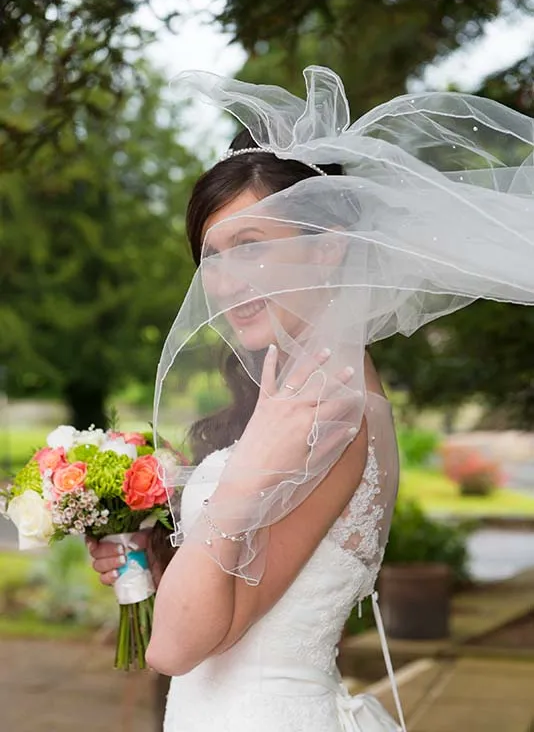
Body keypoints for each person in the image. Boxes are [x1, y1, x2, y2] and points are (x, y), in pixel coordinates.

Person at [88, 66, 534, 732]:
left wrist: (232, 493)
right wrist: (148, 557)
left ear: (328, 251)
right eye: (212, 256)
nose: (227, 281)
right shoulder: (302, 391)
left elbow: (176, 648)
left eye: (252, 247)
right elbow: (233, 604)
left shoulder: (329, 408)